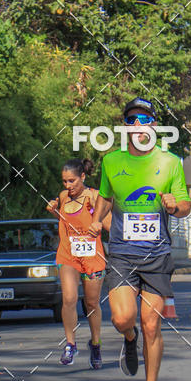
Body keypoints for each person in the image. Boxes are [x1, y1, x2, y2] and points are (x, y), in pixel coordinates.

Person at [88, 97, 191, 381]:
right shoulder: (111, 161)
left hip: (157, 255)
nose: (137, 125)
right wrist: (97, 220)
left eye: (144, 120)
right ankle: (129, 338)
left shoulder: (170, 162)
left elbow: (185, 205)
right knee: (122, 318)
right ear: (124, 127)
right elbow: (106, 197)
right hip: (122, 253)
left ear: (154, 125)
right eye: (131, 120)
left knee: (151, 323)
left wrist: (174, 206)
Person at [46, 158, 111, 368]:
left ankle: (95, 344)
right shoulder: (63, 197)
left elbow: (110, 225)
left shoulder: (94, 196)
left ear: (82, 177)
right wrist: (55, 211)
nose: (68, 185)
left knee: (91, 303)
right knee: (69, 298)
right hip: (69, 255)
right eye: (64, 181)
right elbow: (65, 222)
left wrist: (97, 221)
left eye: (72, 181)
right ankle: (70, 344)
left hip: (92, 257)